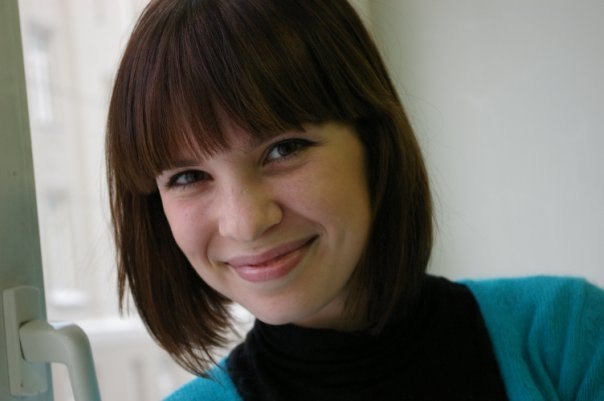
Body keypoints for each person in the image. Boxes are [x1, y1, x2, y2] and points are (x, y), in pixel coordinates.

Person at [105, 0, 604, 400]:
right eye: (189, 176)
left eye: (283, 149)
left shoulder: (564, 337)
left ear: (373, 142)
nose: (246, 223)